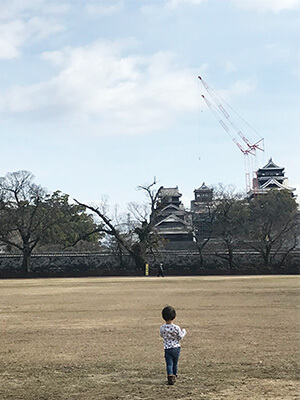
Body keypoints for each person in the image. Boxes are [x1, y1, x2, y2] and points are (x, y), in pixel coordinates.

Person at [160, 305, 187, 385]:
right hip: (176, 347)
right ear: (174, 316)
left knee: (169, 363)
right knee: (175, 363)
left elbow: (161, 335)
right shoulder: (176, 327)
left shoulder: (162, 327)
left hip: (167, 348)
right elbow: (179, 337)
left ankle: (170, 375)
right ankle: (174, 375)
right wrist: (184, 332)